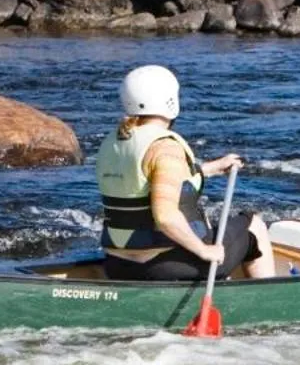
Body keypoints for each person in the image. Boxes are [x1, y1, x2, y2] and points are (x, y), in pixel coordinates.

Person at [97, 65, 273, 282]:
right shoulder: (165, 148)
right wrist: (204, 250)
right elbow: (165, 217)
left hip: (119, 265)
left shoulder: (114, 142)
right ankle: (267, 297)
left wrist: (207, 169)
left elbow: (143, 180)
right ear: (170, 100)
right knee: (253, 224)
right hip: (167, 265)